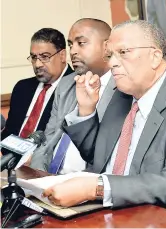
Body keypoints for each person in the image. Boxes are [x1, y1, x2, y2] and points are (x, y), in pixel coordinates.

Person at [42, 20, 166, 219]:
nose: (112, 63)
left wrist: (96, 188)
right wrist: (86, 110)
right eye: (110, 55)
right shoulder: (122, 94)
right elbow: (98, 157)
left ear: (155, 57)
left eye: (123, 52)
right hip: (113, 211)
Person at [29, 18, 115, 174]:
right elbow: (47, 141)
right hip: (51, 179)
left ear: (107, 47)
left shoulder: (125, 88)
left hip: (89, 186)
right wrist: (38, 177)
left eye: (81, 43)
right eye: (70, 45)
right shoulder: (67, 83)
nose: (73, 51)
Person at [1, 28, 73, 141]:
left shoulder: (75, 87)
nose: (37, 64)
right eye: (34, 57)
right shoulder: (22, 88)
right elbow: (8, 134)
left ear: (62, 55)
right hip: (12, 156)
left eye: (44, 57)